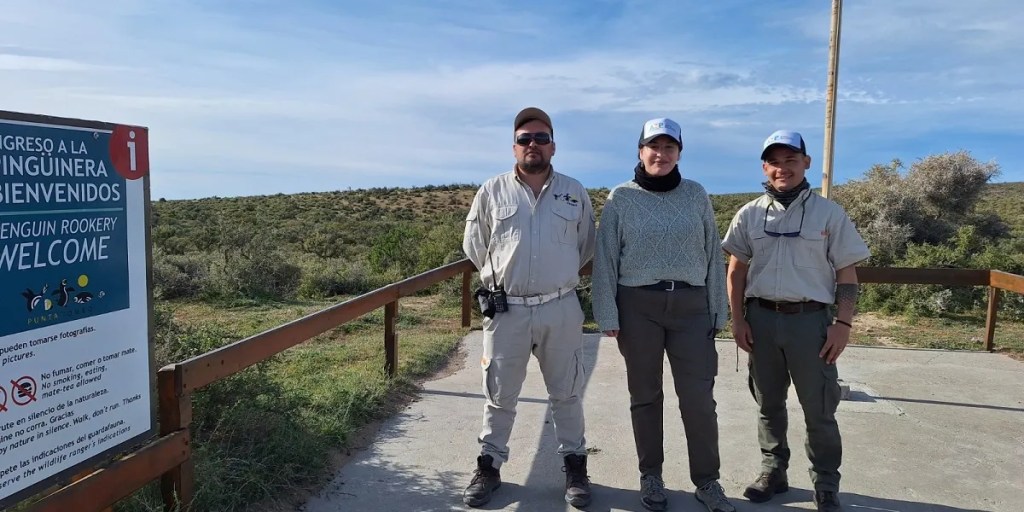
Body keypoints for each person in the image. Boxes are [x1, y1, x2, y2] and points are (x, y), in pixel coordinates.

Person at [721, 130, 871, 512]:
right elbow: (736, 270)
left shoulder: (828, 213)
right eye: (775, 161)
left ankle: (825, 483)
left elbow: (847, 272)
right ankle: (773, 471)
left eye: (791, 160)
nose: (782, 168)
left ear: (806, 163)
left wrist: (843, 324)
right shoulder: (750, 213)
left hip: (811, 323)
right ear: (764, 167)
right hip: (762, 319)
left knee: (819, 408)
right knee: (768, 402)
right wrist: (737, 320)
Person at [591, 117, 734, 512]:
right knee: (645, 395)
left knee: (698, 399)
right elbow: (605, 260)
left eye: (669, 147)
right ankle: (650, 475)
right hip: (638, 307)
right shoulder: (620, 198)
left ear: (679, 153)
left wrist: (718, 309)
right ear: (640, 151)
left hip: (691, 307)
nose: (661, 154)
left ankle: (707, 481)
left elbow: (712, 254)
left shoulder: (696, 194)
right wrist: (607, 313)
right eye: (653, 146)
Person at [461, 107, 597, 508]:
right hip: (508, 312)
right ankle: (489, 466)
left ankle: (575, 467)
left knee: (568, 393)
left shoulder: (573, 191)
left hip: (560, 307)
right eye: (525, 139)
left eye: (540, 137)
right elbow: (475, 243)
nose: (532, 145)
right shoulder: (492, 191)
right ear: (514, 146)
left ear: (553, 145)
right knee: (499, 395)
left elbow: (586, 243)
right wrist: (496, 277)